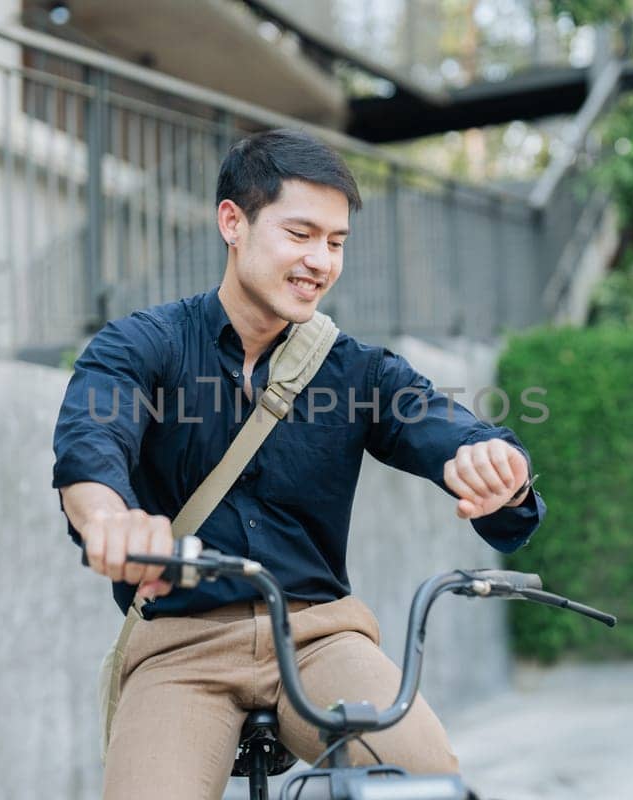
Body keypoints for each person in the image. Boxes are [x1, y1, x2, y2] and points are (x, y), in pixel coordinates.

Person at [53, 128, 544, 800]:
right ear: (234, 222)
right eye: (300, 234)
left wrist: (495, 465)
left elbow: (448, 427)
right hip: (179, 641)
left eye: (336, 242)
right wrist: (110, 520)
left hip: (320, 635)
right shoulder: (145, 344)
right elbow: (91, 442)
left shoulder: (356, 369)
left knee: (428, 786)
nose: (321, 260)